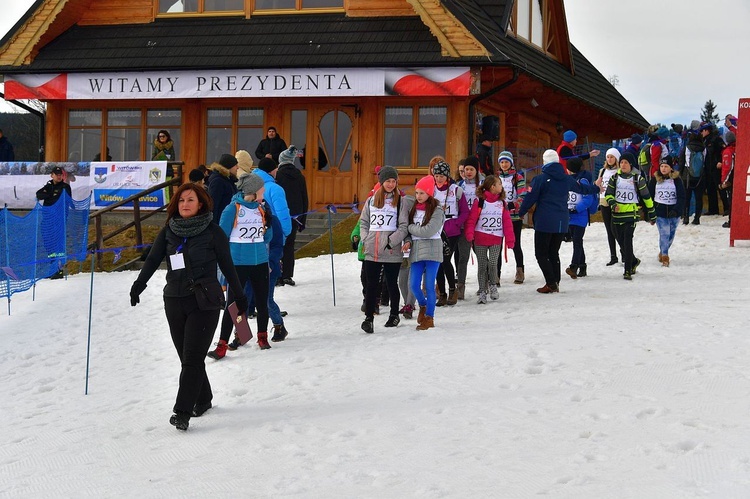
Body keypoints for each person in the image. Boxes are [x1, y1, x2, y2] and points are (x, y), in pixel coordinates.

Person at [129, 183, 247, 431]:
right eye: (181, 200)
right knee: (187, 357)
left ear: (201, 203)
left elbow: (227, 265)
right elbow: (153, 259)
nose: (185, 204)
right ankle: (203, 399)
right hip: (174, 299)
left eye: (190, 200)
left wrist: (239, 295)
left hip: (204, 302)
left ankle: (182, 411)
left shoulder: (213, 232)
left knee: (192, 358)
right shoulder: (169, 230)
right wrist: (140, 283)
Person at [208, 172, 273, 358]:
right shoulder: (232, 209)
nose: (264, 191)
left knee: (262, 301)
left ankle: (262, 336)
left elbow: (266, 237)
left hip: (260, 261)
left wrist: (269, 226)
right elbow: (221, 236)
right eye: (262, 188)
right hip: (238, 263)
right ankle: (223, 343)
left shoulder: (261, 208)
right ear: (252, 191)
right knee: (234, 304)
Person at [517, 150, 599, 293]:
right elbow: (582, 189)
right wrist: (596, 187)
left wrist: (520, 213)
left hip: (544, 222)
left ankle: (551, 282)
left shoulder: (540, 179)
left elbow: (530, 198)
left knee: (541, 254)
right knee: (554, 252)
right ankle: (556, 282)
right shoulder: (567, 179)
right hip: (562, 221)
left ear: (544, 162)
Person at [358, 166, 410, 334]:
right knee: (372, 284)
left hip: (391, 250)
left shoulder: (400, 201)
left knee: (391, 283)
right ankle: (369, 318)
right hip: (372, 249)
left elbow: (403, 226)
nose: (391, 184)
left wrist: (391, 241)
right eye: (388, 181)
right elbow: (363, 222)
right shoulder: (371, 200)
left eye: (394, 181)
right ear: (381, 182)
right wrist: (366, 238)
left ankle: (394, 314)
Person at [402, 176, 445, 331]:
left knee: (428, 284)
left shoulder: (437, 210)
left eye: (422, 193)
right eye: (417, 192)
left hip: (433, 249)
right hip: (417, 250)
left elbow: (428, 231)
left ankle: (429, 317)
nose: (418, 196)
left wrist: (411, 228)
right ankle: (423, 305)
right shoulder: (413, 208)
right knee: (413, 285)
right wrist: (408, 239)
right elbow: (407, 228)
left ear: (429, 193)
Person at [464, 175, 515, 304]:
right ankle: (482, 291)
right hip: (480, 238)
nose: (501, 186)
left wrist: (510, 239)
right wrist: (469, 233)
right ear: (493, 187)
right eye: (499, 184)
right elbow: (472, 220)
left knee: (492, 264)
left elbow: (507, 222)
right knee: (482, 266)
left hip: (496, 238)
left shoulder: (502, 203)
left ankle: (492, 285)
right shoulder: (480, 202)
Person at [604, 152, 656, 280]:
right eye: (621, 162)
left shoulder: (638, 179)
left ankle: (627, 270)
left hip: (631, 214)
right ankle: (633, 260)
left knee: (628, 241)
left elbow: (646, 197)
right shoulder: (614, 178)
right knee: (620, 240)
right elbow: (608, 194)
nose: (623, 165)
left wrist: (652, 213)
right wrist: (612, 202)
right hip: (616, 214)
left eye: (626, 162)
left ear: (631, 164)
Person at [432, 160, 469, 306]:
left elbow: (465, 211)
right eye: (436, 175)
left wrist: (457, 222)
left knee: (445, 259)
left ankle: (453, 290)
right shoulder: (431, 190)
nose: (439, 178)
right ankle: (442, 292)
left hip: (451, 229)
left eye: (442, 175)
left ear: (447, 176)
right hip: (435, 229)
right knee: (437, 261)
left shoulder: (456, 190)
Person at [254, 157, 292, 285]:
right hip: (273, 232)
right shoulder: (275, 188)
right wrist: (286, 232)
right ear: (271, 171)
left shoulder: (250, 185)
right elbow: (282, 213)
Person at [275, 146, 309, 287]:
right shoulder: (299, 175)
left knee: (277, 244)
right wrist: (303, 219)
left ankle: (277, 275)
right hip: (295, 215)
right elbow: (304, 197)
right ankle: (288, 274)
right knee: (289, 245)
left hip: (279, 214)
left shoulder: (277, 175)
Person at [495, 150, 527, 284]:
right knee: (496, 246)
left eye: (506, 162)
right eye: (501, 162)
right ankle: (495, 274)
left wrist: (512, 205)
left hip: (513, 217)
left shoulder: (517, 177)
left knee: (515, 244)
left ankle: (520, 271)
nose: (504, 164)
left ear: (511, 163)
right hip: (497, 216)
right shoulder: (496, 178)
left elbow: (522, 196)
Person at [564, 157, 599, 279]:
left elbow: (588, 198)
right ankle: (582, 266)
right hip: (570, 216)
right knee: (577, 240)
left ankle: (573, 266)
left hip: (580, 216)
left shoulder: (582, 181)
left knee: (577, 240)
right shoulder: (568, 180)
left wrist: (576, 209)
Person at [455, 156, 484, 299]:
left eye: (471, 169)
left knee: (481, 256)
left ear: (476, 170)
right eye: (466, 169)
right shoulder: (460, 185)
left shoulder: (483, 184)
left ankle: (483, 286)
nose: (468, 172)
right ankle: (460, 287)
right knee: (463, 257)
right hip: (464, 226)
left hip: (480, 225)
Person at [36, 166, 72, 279]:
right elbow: (39, 194)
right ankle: (53, 268)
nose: (59, 176)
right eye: (56, 174)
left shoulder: (65, 187)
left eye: (60, 174)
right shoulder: (49, 185)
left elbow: (68, 201)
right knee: (48, 243)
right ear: (52, 175)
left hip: (59, 221)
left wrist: (49, 194)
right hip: (47, 220)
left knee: (58, 245)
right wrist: (50, 192)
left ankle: (59, 270)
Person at [648, 157, 685, 267]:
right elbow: (649, 196)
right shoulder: (654, 179)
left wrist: (677, 210)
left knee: (671, 235)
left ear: (671, 168)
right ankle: (665, 256)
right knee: (664, 234)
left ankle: (662, 251)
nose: (663, 169)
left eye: (666, 166)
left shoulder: (677, 180)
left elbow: (682, 197)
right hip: (660, 212)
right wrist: (650, 213)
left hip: (674, 212)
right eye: (662, 166)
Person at [595, 148, 622, 266]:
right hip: (604, 201)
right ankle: (613, 255)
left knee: (616, 229)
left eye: (612, 157)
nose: (610, 159)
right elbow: (598, 183)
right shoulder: (602, 171)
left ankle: (624, 251)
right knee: (609, 229)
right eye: (608, 157)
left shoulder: (620, 170)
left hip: (616, 201)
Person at [701, 122, 726, 216]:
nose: (701, 133)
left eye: (702, 131)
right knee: (710, 188)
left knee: (720, 187)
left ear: (707, 130)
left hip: (716, 167)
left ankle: (726, 208)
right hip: (707, 168)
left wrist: (720, 161)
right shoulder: (704, 141)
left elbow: (723, 150)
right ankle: (713, 209)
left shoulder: (716, 139)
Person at [682, 126, 706, 225]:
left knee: (686, 197)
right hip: (700, 176)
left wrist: (679, 173)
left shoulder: (686, 148)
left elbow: (681, 161)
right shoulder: (704, 148)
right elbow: (706, 163)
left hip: (687, 175)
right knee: (699, 197)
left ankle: (686, 217)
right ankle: (697, 218)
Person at [206, 153, 239, 224]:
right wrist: (214, 227)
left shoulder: (229, 180)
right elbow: (213, 205)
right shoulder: (218, 181)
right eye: (235, 165)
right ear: (229, 166)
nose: (238, 167)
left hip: (227, 220)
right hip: (220, 222)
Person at [719, 131, 736, 228]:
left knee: (732, 201)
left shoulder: (728, 151)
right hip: (741, 179)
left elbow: (727, 167)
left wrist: (723, 182)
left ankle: (731, 221)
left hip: (732, 180)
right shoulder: (740, 148)